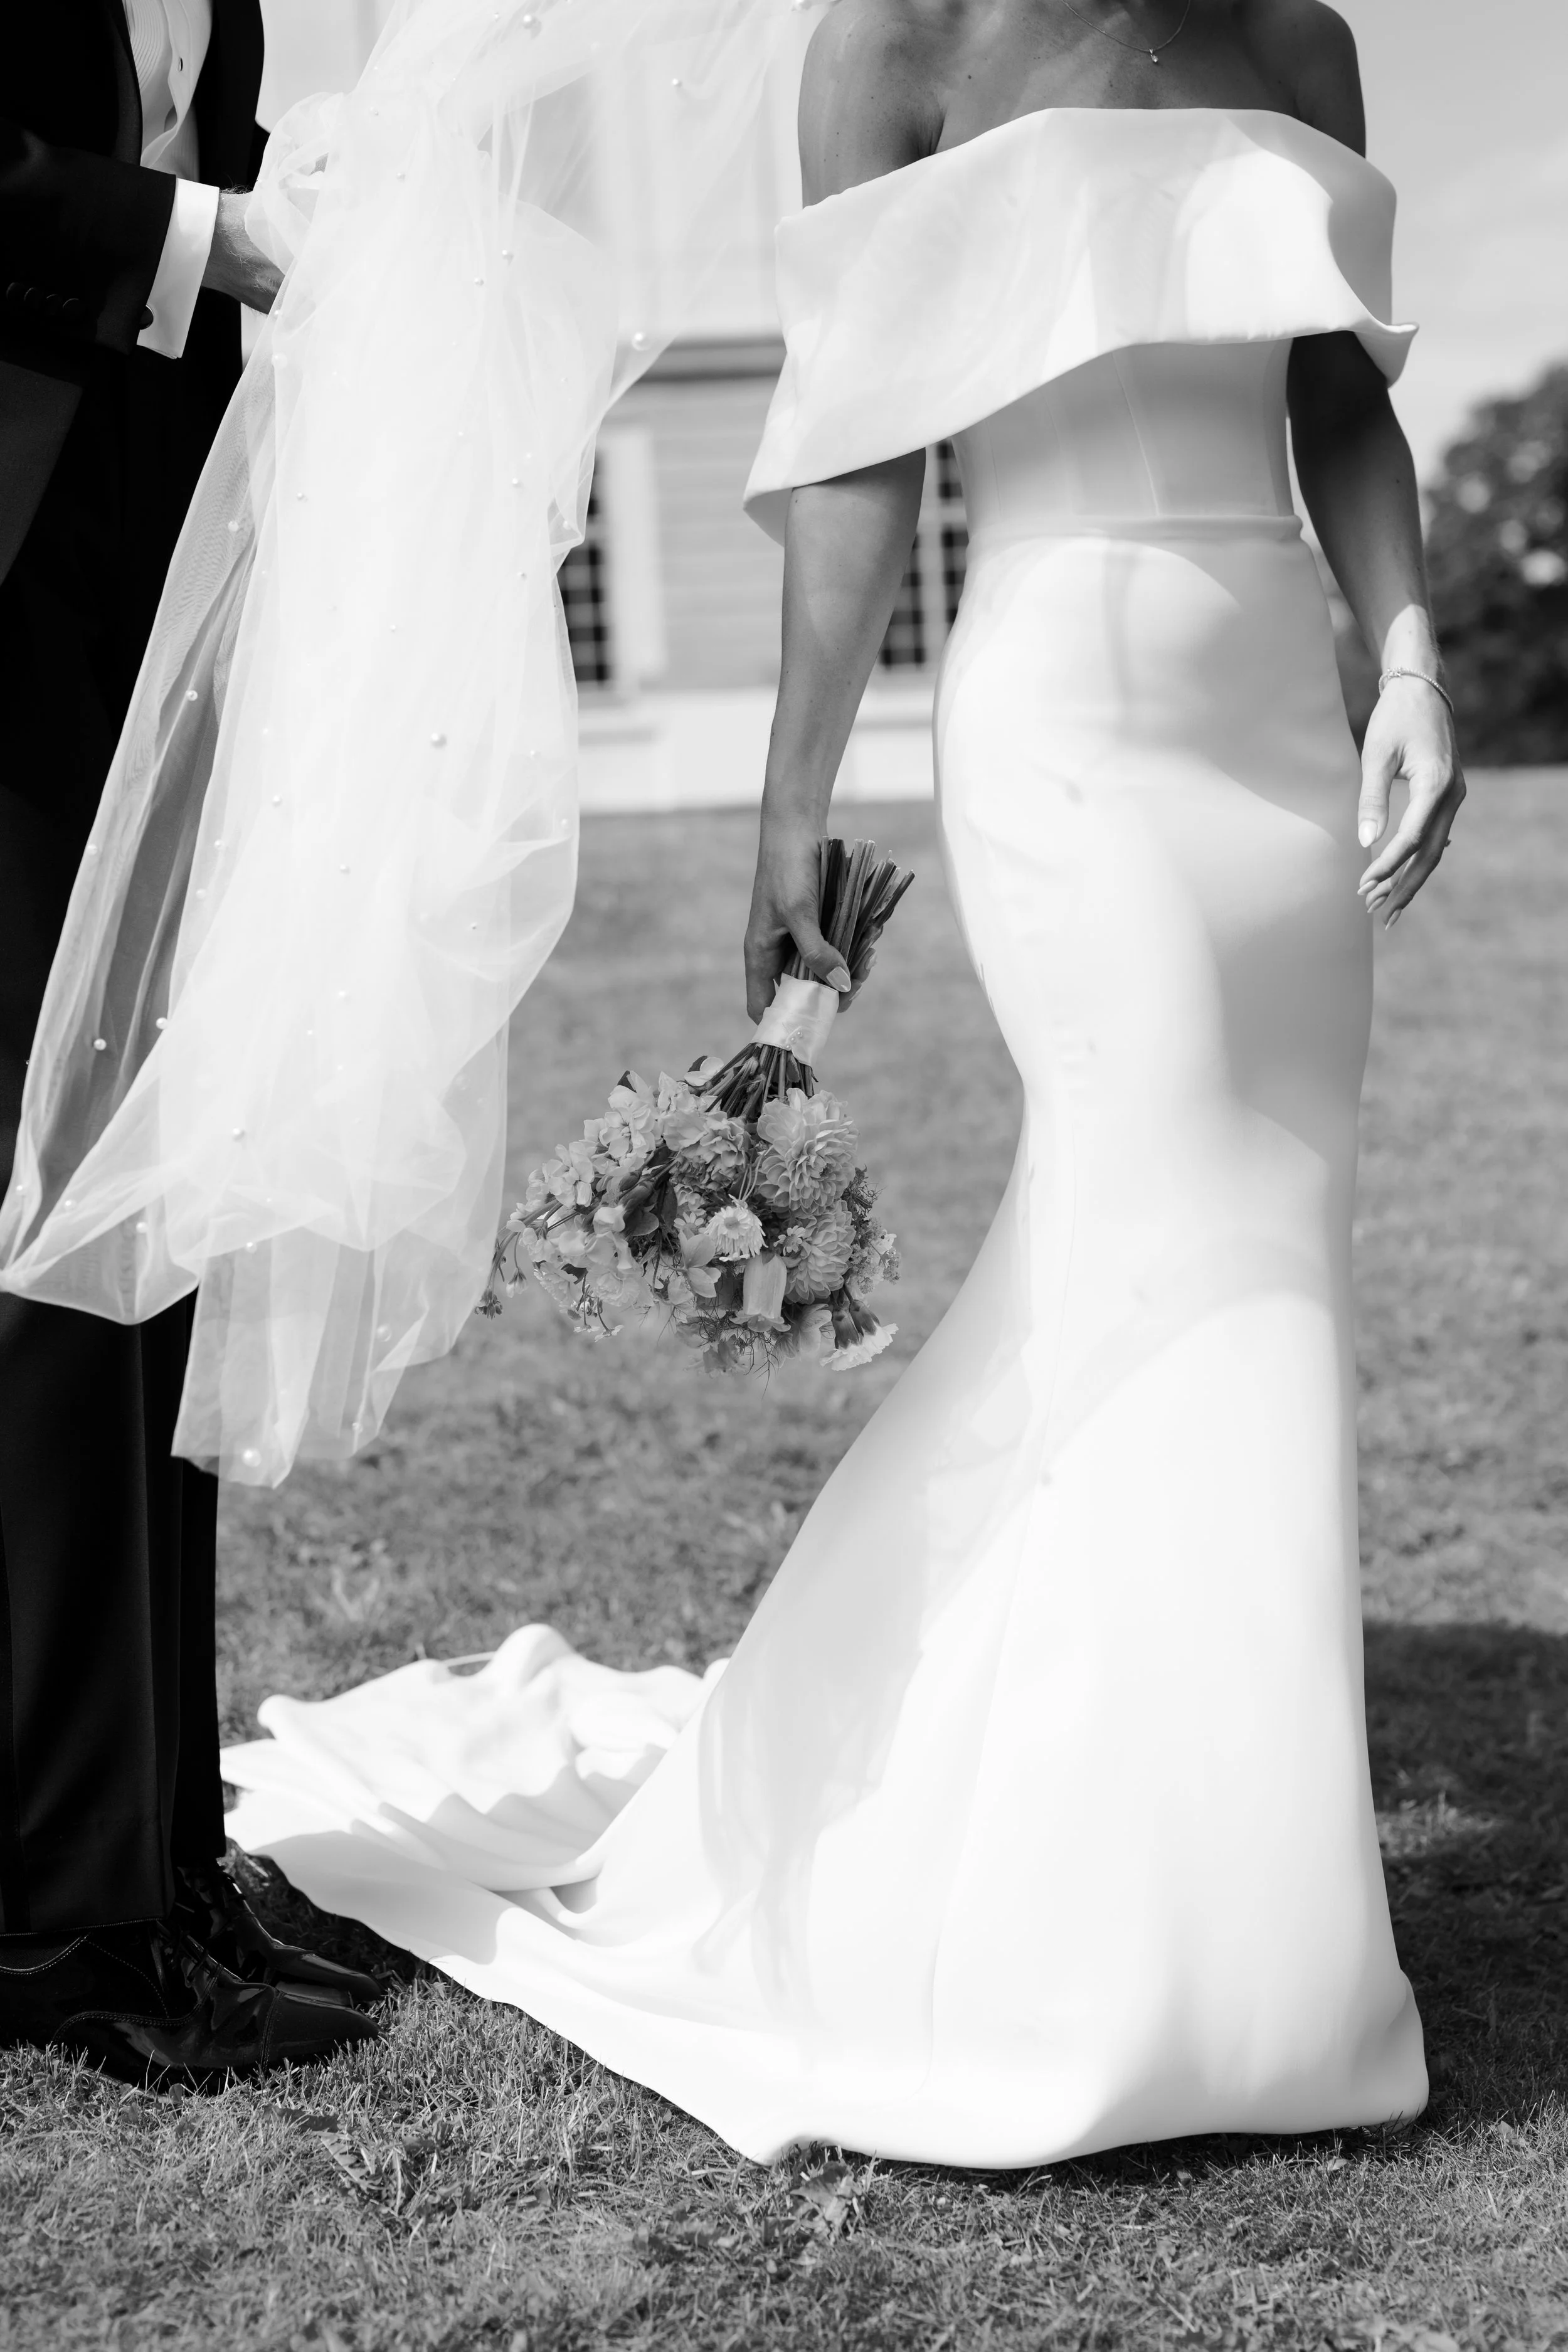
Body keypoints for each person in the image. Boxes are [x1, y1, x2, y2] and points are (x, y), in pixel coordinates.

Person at [216, 0, 1463, 2166]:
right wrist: (794, 799)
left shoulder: (1304, 35)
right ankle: (1119, 1926)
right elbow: (857, 449)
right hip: (1063, 708)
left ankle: (1221, 1886)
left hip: (1279, 706)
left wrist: (1414, 657)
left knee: (1265, 1252)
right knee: (1163, 1228)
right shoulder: (895, 41)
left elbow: (1335, 395)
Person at [0, 0, 380, 2084]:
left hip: (169, 559)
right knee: (46, 1235)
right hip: (12, 581)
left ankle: (161, 1855)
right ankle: (61, 1922)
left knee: (164, 1199)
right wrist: (213, 239)